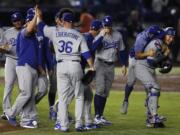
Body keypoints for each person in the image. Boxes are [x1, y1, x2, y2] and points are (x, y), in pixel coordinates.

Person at [37, 9, 94, 132]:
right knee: (79, 96)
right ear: (72, 22)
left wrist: (39, 16)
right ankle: (79, 124)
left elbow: (41, 26)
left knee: (62, 98)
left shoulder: (55, 31)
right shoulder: (79, 35)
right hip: (75, 65)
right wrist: (92, 66)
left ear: (62, 21)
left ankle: (63, 125)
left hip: (61, 66)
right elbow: (86, 53)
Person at [5, 6, 40, 128]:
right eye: (35, 22)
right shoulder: (25, 31)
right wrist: (36, 16)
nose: (36, 24)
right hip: (24, 67)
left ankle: (28, 118)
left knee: (30, 95)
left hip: (32, 67)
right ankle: (11, 113)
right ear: (29, 22)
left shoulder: (33, 35)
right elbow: (30, 27)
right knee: (26, 93)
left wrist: (40, 69)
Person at [134, 27, 175, 127]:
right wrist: (164, 56)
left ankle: (150, 119)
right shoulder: (157, 42)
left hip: (148, 68)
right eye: (169, 36)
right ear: (164, 35)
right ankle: (154, 116)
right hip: (141, 67)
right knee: (155, 88)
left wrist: (165, 66)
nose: (171, 39)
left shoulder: (164, 45)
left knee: (154, 92)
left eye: (173, 37)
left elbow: (157, 62)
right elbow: (151, 61)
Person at [121, 25, 165, 114]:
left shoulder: (155, 36)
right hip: (135, 59)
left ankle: (149, 107)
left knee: (150, 85)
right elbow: (138, 55)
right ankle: (125, 100)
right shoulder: (141, 38)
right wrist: (149, 53)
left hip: (145, 59)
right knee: (130, 82)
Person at [93, 15, 127, 125]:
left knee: (105, 92)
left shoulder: (118, 35)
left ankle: (101, 116)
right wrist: (102, 35)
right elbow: (93, 48)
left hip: (111, 65)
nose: (107, 27)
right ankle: (96, 116)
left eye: (109, 25)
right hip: (100, 63)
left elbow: (121, 50)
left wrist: (123, 65)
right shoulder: (99, 34)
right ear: (103, 25)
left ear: (112, 25)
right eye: (105, 25)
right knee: (100, 89)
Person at [0, 12, 24, 119]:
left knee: (23, 88)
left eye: (18, 20)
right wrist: (2, 49)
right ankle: (6, 111)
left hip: (23, 62)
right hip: (10, 61)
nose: (17, 22)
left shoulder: (26, 31)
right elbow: (5, 48)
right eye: (15, 20)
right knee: (8, 85)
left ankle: (22, 111)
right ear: (12, 22)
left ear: (22, 20)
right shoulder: (7, 33)